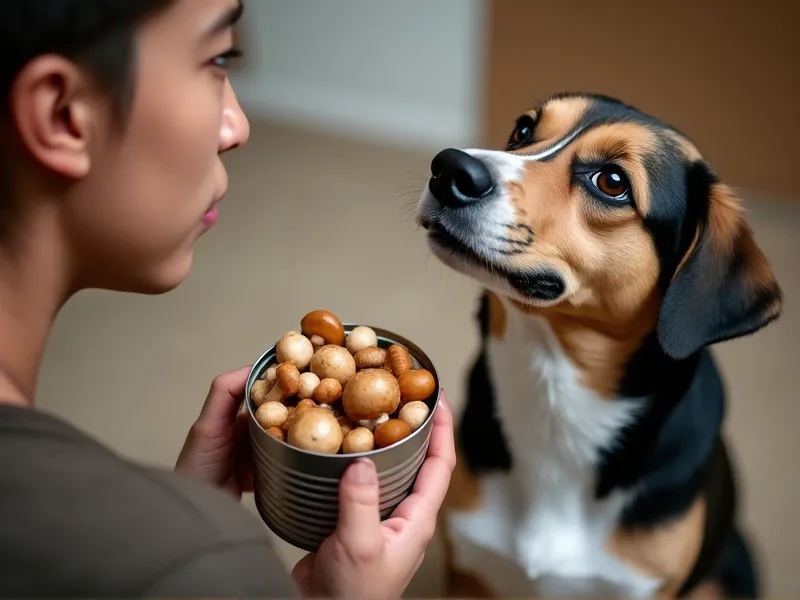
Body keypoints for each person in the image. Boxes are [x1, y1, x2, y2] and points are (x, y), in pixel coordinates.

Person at [0, 0, 456, 598]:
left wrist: (177, 527)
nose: (238, 126)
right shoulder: (210, 567)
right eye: (217, 59)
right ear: (64, 115)